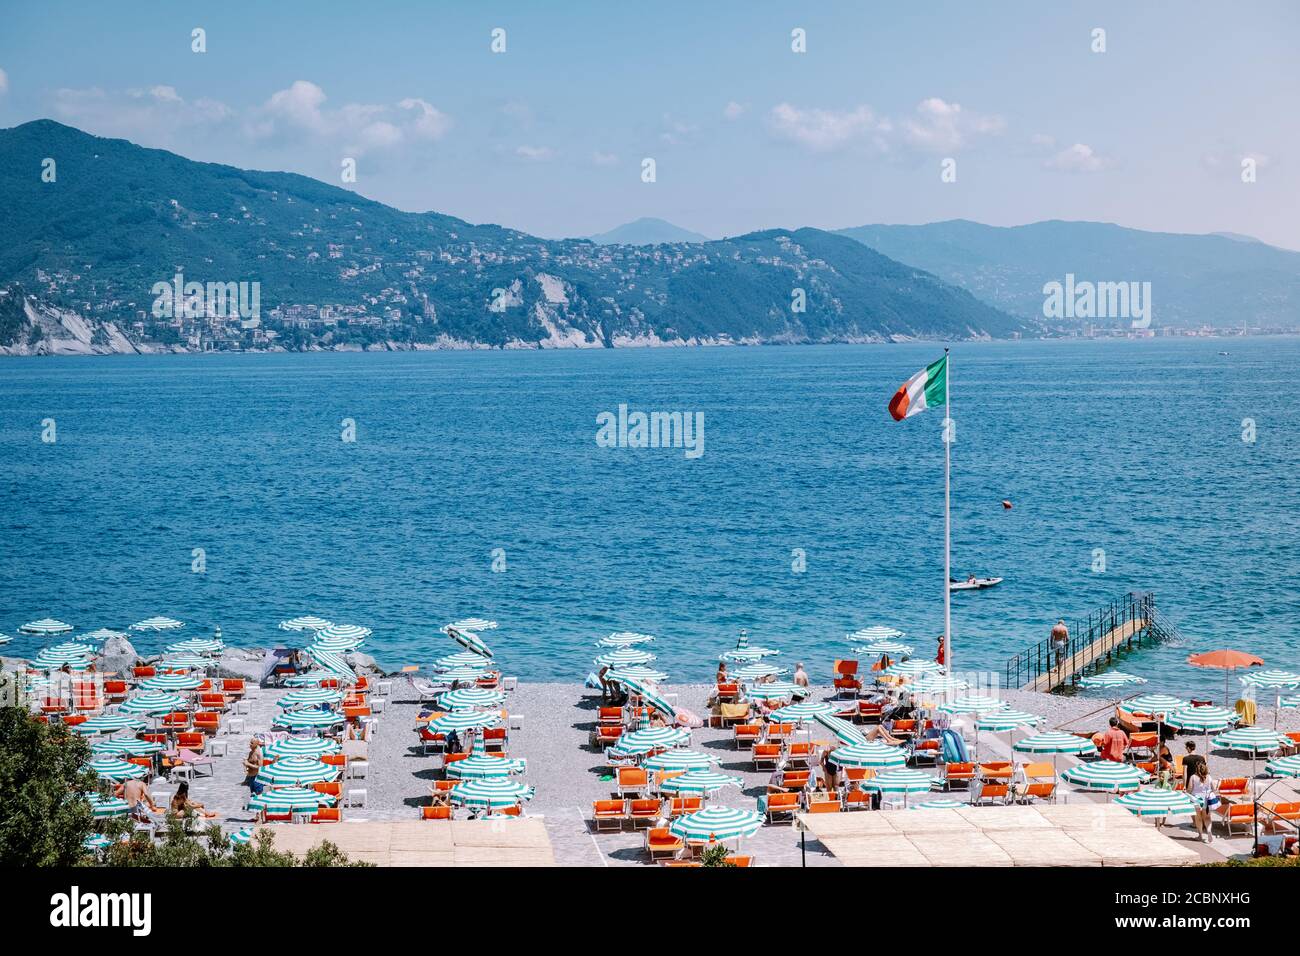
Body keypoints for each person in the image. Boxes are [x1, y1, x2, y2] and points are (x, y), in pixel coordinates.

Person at [1187, 763, 1218, 843]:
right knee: (1207, 818)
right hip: (1206, 800)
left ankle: (1200, 835)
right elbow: (1214, 789)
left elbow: (1189, 790)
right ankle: (1208, 831)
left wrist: (1186, 792)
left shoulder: (1193, 777)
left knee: (1198, 818)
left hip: (1196, 799)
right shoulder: (1209, 777)